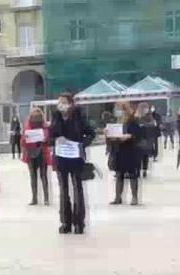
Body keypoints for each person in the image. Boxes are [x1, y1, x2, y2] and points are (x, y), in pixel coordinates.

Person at [49, 92, 96, 234]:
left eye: (63, 102)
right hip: (61, 157)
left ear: (70, 104)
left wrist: (81, 144)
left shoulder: (79, 117)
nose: (61, 105)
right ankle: (65, 222)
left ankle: (79, 223)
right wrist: (55, 140)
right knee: (64, 190)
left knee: (78, 189)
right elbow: (50, 137)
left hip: (75, 157)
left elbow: (91, 133)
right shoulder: (56, 117)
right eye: (59, 102)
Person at [106, 102, 144, 206]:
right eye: (116, 108)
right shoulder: (115, 121)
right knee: (119, 174)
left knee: (132, 174)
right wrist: (108, 135)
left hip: (131, 150)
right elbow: (111, 136)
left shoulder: (134, 120)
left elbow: (140, 134)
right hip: (118, 150)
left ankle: (134, 197)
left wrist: (130, 136)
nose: (118, 110)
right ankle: (118, 197)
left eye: (120, 108)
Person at [20, 108, 51, 206]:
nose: (36, 119)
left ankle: (46, 198)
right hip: (30, 154)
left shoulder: (45, 127)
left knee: (43, 176)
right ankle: (34, 198)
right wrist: (26, 138)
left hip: (42, 154)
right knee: (33, 177)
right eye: (34, 116)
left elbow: (49, 139)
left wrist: (44, 139)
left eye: (38, 116)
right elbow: (22, 141)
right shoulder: (27, 127)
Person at [136, 102, 158, 178]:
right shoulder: (136, 116)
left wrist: (143, 124)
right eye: (145, 108)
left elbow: (153, 124)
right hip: (138, 138)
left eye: (147, 108)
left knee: (145, 155)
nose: (147, 109)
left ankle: (144, 170)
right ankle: (138, 170)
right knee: (138, 156)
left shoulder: (149, 116)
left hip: (147, 138)